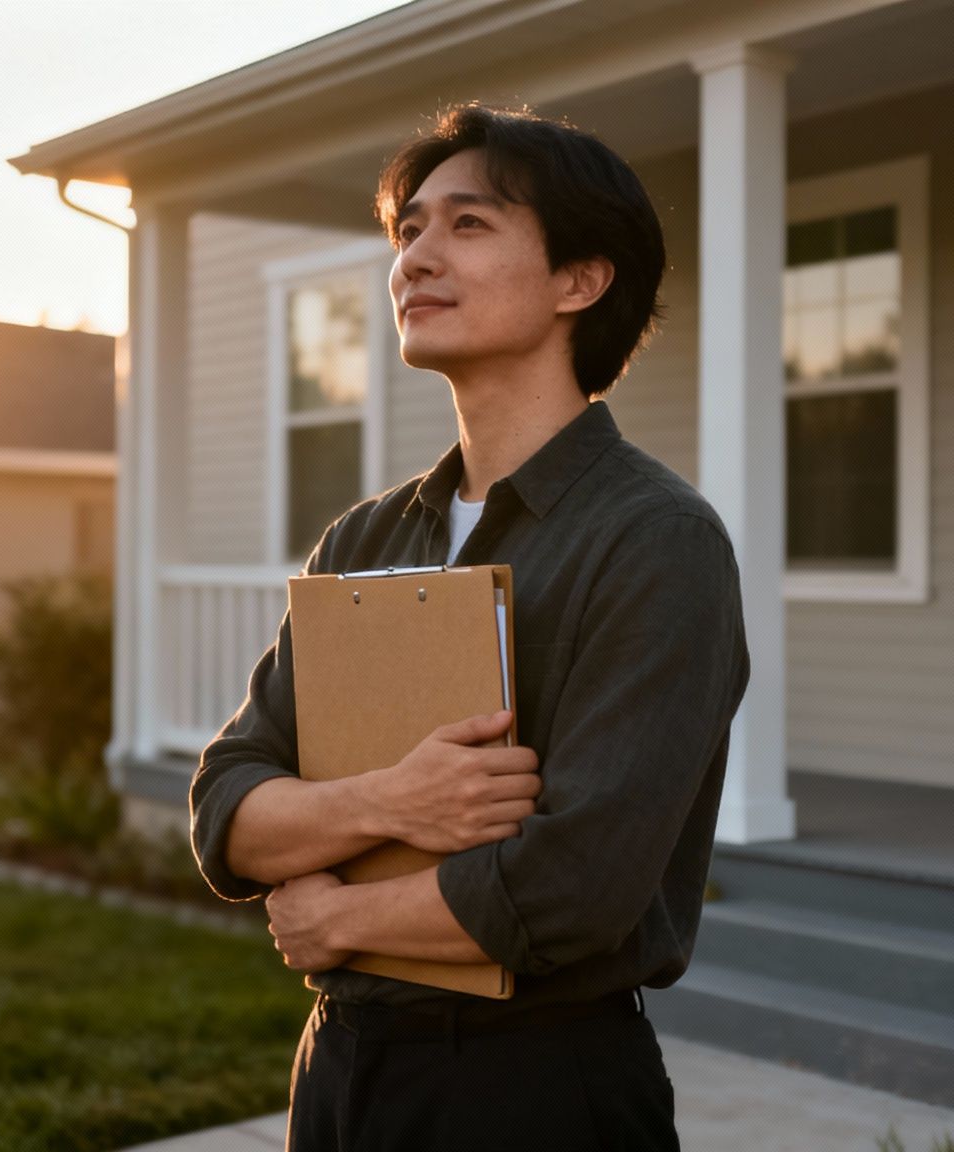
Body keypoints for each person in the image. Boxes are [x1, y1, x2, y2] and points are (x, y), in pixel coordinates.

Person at [188, 101, 751, 1152]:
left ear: (578, 281)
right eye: (408, 231)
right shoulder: (363, 538)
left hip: (533, 1086)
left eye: (468, 225)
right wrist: (393, 799)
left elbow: (573, 885)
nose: (413, 260)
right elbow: (227, 809)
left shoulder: (653, 541)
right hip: (341, 1069)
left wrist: (335, 918)